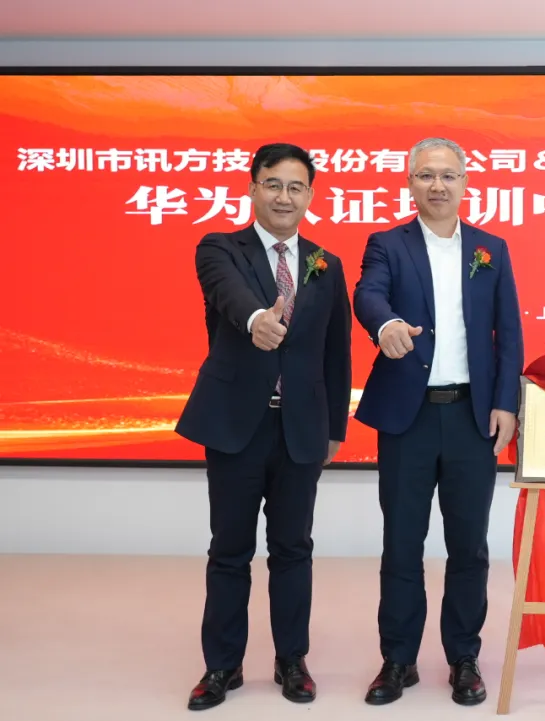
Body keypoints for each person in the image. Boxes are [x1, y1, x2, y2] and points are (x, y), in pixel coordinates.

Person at [175, 142, 353, 710]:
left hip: (301, 430)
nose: (284, 196)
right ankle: (222, 666)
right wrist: (257, 319)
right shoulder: (220, 248)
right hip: (237, 427)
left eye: (296, 187)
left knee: (293, 549)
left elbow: (336, 352)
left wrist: (334, 429)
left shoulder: (326, 264)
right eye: (273, 184)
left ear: (310, 196)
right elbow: (229, 296)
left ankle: (291, 660)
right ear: (253, 188)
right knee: (230, 549)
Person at [352, 137, 525, 706]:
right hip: (409, 419)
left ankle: (464, 658)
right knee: (402, 543)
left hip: (473, 417)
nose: (438, 185)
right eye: (426, 175)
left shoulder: (491, 249)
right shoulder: (387, 244)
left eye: (449, 175)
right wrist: (385, 325)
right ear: (410, 183)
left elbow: (508, 332)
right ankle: (397, 660)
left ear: (465, 183)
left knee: (469, 546)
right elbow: (368, 295)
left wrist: (506, 403)